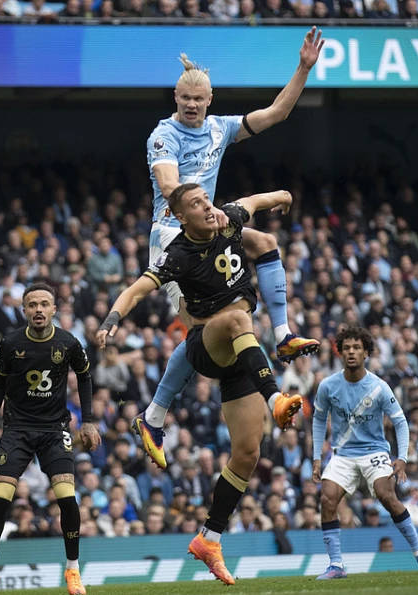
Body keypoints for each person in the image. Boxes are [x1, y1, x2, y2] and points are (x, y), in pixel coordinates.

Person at [135, 28, 325, 469]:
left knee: (266, 242)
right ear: (176, 97)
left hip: (212, 227)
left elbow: (276, 113)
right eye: (185, 98)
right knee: (200, 332)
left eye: (198, 99)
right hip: (175, 238)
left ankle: (284, 335)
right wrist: (208, 210)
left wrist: (303, 68)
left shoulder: (220, 128)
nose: (191, 105)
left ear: (210, 100)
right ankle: (153, 416)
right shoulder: (163, 135)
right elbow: (168, 184)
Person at [97, 185, 304, 585]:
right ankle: (276, 397)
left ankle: (210, 538)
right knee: (237, 319)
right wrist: (111, 320)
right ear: (180, 218)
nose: (208, 208)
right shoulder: (178, 255)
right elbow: (137, 290)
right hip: (206, 345)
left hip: (240, 353)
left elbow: (254, 202)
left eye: (207, 201)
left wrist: (282, 195)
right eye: (196, 205)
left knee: (247, 453)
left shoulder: (228, 219)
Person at [0, 282, 101, 595]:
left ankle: (73, 570)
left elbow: (84, 376)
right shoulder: (11, 342)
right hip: (17, 429)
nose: (39, 310)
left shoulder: (68, 343)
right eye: (32, 305)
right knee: (0, 498)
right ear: (24, 311)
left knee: (67, 498)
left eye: (44, 304)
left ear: (54, 309)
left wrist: (88, 422)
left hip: (54, 430)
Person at [311, 326, 418, 579]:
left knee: (386, 495)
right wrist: (316, 457)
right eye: (346, 348)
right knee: (327, 498)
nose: (351, 352)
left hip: (374, 452)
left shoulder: (379, 387)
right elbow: (318, 420)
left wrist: (402, 458)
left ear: (366, 353)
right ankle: (336, 565)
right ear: (340, 352)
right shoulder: (327, 386)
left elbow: (400, 422)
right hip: (343, 454)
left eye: (357, 348)